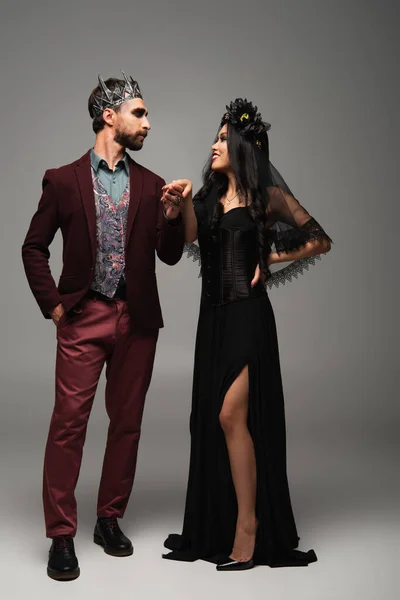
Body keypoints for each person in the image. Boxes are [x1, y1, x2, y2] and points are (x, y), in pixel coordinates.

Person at [21, 72, 184, 581]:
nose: (148, 123)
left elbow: (171, 256)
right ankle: (61, 535)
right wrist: (54, 307)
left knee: (127, 422)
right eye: (140, 113)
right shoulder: (63, 179)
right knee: (68, 424)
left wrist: (175, 217)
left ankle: (108, 519)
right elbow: (33, 247)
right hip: (83, 316)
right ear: (109, 116)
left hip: (137, 321)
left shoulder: (153, 185)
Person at [161, 98, 332, 570]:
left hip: (247, 318)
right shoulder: (211, 198)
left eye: (221, 138)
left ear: (241, 146)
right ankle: (219, 522)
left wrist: (271, 258)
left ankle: (249, 526)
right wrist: (179, 207)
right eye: (214, 138)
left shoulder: (265, 198)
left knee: (231, 415)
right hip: (211, 319)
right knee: (214, 420)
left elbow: (320, 238)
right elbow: (193, 236)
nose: (213, 145)